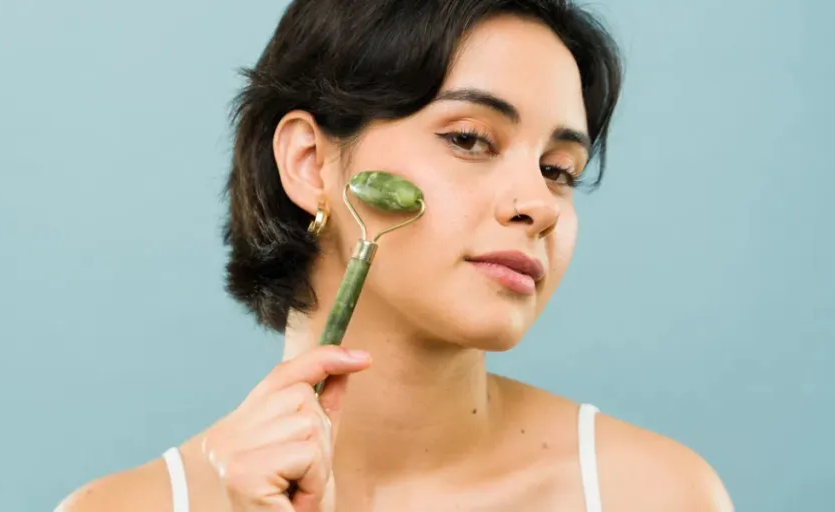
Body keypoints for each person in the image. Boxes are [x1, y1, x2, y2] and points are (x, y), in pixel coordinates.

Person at [58, 0, 734, 510]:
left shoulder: (653, 493)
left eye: (559, 168)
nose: (540, 204)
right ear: (309, 163)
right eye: (470, 139)